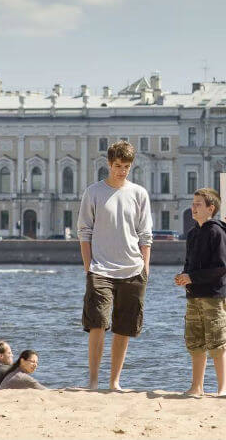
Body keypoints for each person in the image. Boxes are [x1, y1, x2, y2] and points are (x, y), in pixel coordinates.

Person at [77, 140, 153, 391]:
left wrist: (145, 267)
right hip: (100, 270)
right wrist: (88, 266)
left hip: (133, 269)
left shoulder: (139, 193)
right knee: (97, 323)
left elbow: (145, 235)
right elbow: (84, 231)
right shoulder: (94, 192)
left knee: (124, 327)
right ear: (109, 164)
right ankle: (93, 379)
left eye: (127, 166)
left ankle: (114, 381)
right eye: (118, 165)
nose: (122, 170)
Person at [174, 188, 226, 396]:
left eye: (199, 204)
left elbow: (223, 267)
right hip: (194, 295)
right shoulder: (192, 233)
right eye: (193, 203)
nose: (193, 207)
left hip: (214, 296)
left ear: (211, 208)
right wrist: (184, 276)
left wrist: (193, 277)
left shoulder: (217, 232)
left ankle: (222, 389)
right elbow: (191, 264)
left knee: (217, 342)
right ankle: (196, 387)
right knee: (195, 342)